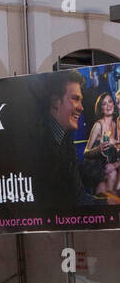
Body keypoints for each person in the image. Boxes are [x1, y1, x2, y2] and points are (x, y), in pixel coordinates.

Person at [32, 69, 107, 206]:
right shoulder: (36, 141)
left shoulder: (65, 138)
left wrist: (109, 204)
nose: (81, 108)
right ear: (55, 101)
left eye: (81, 100)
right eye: (75, 99)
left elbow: (77, 196)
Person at [82, 91, 120, 196]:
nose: (108, 106)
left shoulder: (117, 124)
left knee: (107, 183)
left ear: (114, 104)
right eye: (104, 104)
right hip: (96, 167)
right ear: (101, 108)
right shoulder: (98, 125)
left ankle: (108, 208)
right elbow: (86, 152)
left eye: (110, 102)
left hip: (110, 165)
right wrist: (99, 149)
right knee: (112, 174)